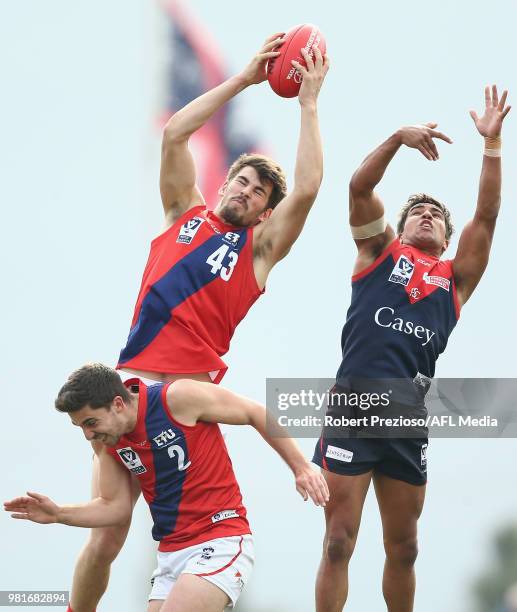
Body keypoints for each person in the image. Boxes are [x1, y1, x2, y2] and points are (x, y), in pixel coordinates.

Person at [65, 34, 329, 612]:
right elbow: (175, 132)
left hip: (184, 403)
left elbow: (307, 187)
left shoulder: (257, 253)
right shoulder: (182, 212)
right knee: (106, 534)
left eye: (259, 191)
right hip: (127, 394)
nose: (246, 189)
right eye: (241, 180)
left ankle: (206, 585)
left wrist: (308, 103)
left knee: (196, 531)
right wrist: (243, 80)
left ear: (264, 211)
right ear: (226, 182)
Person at [312, 85, 510, 612]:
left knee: (405, 547)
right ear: (397, 230)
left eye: (436, 216)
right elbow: (358, 187)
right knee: (338, 541)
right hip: (353, 405)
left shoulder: (456, 281)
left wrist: (492, 147)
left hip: (405, 417)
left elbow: (486, 219)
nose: (427, 215)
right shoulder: (377, 253)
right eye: (417, 211)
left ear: (446, 240)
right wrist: (399, 138)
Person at [5, 363, 329, 612]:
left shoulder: (177, 398)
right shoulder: (110, 442)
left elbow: (254, 411)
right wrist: (59, 513)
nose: (89, 435)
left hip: (220, 541)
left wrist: (300, 467)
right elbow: (113, 507)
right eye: (80, 428)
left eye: (91, 423)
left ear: (118, 403)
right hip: (171, 555)